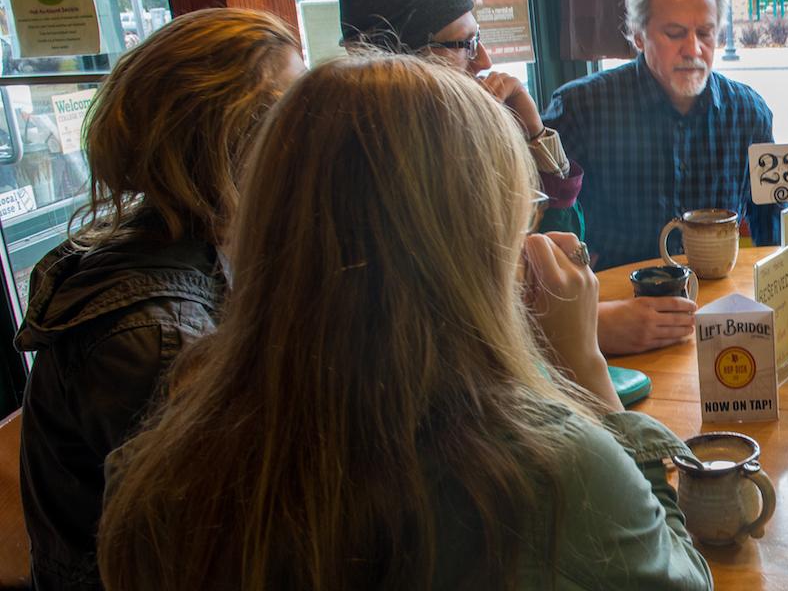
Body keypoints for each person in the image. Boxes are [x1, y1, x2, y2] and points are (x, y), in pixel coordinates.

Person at [96, 55, 712, 591]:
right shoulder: (553, 474)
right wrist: (586, 375)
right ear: (466, 246)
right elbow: (681, 577)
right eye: (516, 216)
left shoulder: (154, 475)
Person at [15, 9, 304, 590]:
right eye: (294, 115)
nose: (312, 136)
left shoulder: (194, 249)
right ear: (225, 138)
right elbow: (216, 553)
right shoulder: (156, 336)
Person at [543, 0, 780, 355]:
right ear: (638, 35)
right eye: (674, 34)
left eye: (705, 33)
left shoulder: (749, 113)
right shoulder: (579, 110)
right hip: (611, 325)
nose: (693, 49)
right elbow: (545, 242)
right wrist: (592, 325)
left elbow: (770, 237)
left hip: (719, 327)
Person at [331, 0, 582, 231]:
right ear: (402, 66)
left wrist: (536, 134)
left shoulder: (474, 138)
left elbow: (566, 249)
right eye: (464, 44)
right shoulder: (372, 186)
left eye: (477, 38)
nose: (485, 61)